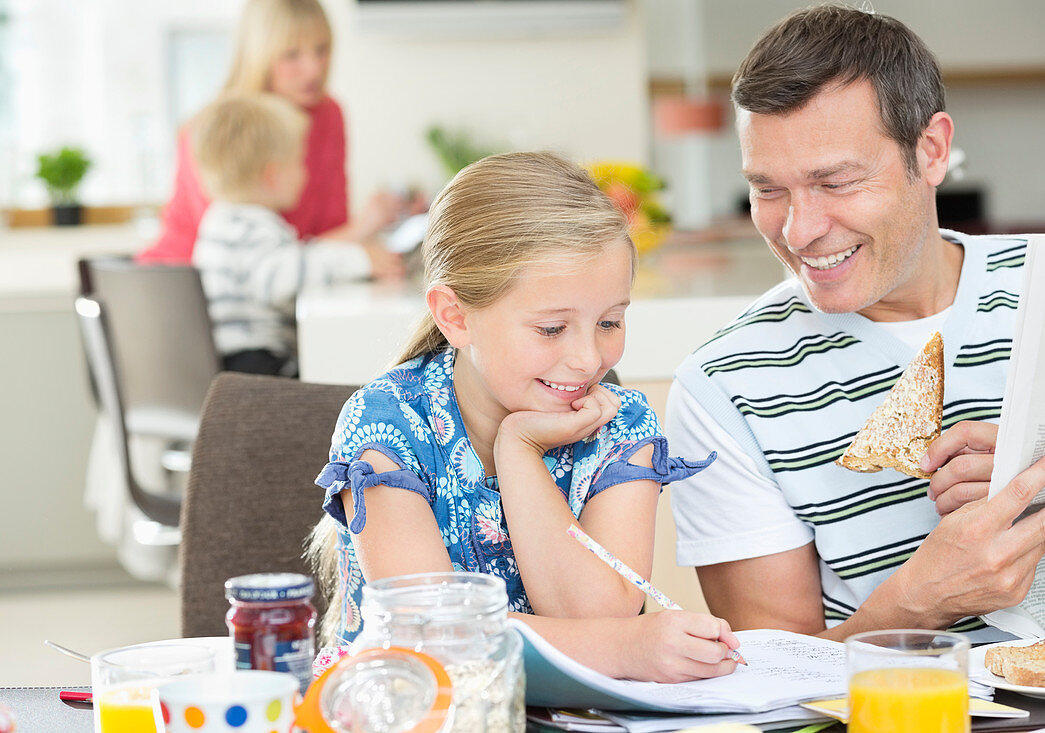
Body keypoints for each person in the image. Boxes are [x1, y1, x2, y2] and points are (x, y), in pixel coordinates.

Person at [667, 3, 1045, 643]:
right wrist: (919, 601)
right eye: (768, 189)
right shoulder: (723, 386)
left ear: (931, 150)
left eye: (835, 181)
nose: (798, 230)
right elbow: (775, 686)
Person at [310, 152, 741, 683]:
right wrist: (623, 649)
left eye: (609, 321)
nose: (588, 359)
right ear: (455, 316)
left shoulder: (621, 424)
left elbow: (597, 619)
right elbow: (432, 635)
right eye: (552, 329)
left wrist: (520, 453)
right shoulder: (386, 424)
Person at [139, 0, 406, 267]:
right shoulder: (219, 128)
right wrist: (361, 231)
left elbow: (327, 233)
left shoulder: (328, 116)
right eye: (292, 54)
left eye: (321, 49)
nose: (314, 68)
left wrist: (371, 225)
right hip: (185, 281)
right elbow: (246, 255)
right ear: (259, 55)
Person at [190, 93, 379, 376]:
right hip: (257, 369)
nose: (305, 174)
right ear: (271, 175)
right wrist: (360, 261)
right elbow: (280, 278)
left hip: (232, 368)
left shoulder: (219, 220)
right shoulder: (254, 226)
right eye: (299, 162)